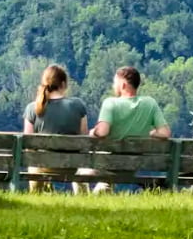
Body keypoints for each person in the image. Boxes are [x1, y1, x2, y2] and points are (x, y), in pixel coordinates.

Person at [23, 64, 87, 192]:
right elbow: (84, 138)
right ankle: (83, 196)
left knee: (33, 162)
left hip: (43, 165)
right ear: (63, 84)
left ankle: (36, 194)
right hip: (72, 164)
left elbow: (28, 144)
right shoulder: (78, 105)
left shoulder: (32, 108)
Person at [92, 66, 170, 141]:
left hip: (115, 153)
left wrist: (93, 132)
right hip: (140, 154)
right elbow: (165, 133)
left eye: (115, 83)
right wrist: (152, 133)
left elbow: (102, 132)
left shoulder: (110, 103)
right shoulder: (150, 103)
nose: (113, 86)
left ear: (123, 85)